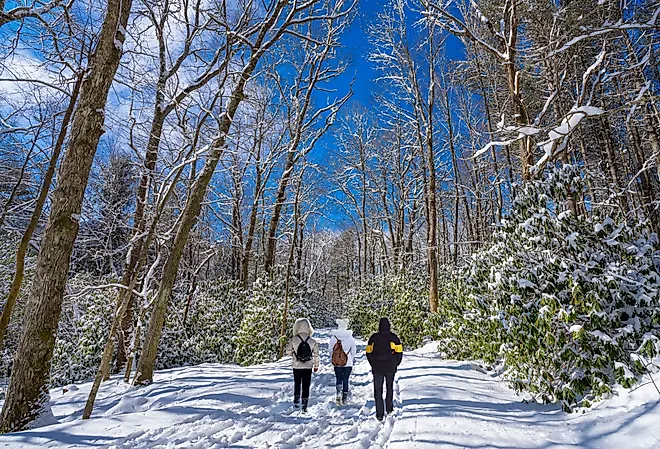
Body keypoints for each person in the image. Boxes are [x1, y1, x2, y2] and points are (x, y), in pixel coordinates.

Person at [366, 317, 403, 422]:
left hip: (377, 368)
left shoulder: (373, 338)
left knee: (378, 391)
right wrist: (395, 364)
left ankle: (379, 414)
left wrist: (373, 363)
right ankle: (389, 409)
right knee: (389, 388)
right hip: (390, 367)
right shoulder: (394, 338)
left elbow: (368, 352)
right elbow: (399, 353)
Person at [286, 318, 319, 412]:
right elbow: (316, 354)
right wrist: (316, 366)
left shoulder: (294, 339)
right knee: (306, 385)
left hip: (296, 365)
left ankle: (296, 401)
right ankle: (304, 405)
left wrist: (294, 355)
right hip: (308, 366)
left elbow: (288, 351)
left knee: (297, 383)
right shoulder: (312, 341)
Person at [329, 319, 357, 405]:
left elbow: (330, 350)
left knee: (338, 378)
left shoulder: (334, 338)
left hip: (337, 363)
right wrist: (349, 358)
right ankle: (344, 397)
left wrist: (335, 357)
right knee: (345, 379)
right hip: (348, 363)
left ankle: (338, 393)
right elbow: (354, 350)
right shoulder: (350, 337)